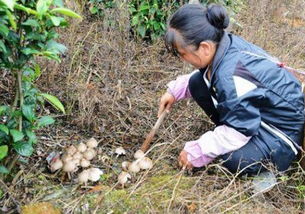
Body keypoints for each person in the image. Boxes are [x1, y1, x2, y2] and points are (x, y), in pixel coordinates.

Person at [158, 3, 305, 176]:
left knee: (234, 159)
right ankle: (229, 133)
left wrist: (199, 150)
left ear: (204, 47)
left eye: (183, 53)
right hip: (261, 114)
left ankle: (269, 172)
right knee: (196, 82)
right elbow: (204, 78)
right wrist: (176, 90)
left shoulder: (229, 77)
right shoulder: (225, 44)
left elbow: (239, 129)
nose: (183, 59)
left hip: (281, 134)